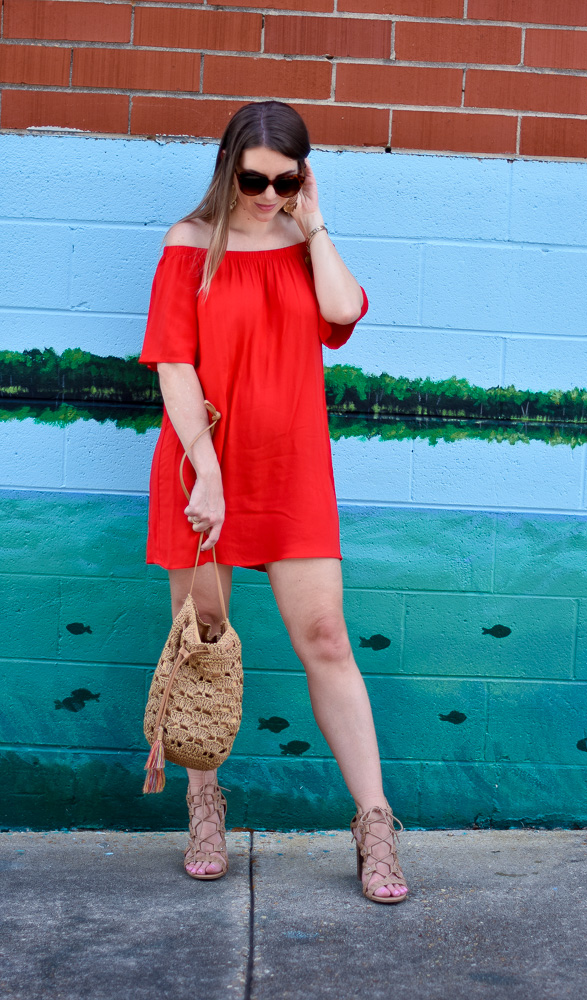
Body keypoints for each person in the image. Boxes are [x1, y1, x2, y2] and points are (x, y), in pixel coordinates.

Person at [138, 100, 408, 903]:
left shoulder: (299, 239)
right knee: (206, 643)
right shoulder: (187, 247)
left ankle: (374, 825)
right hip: (203, 469)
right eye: (253, 178)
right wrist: (205, 468)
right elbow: (174, 366)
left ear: (302, 175)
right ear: (227, 166)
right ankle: (204, 806)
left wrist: (313, 222)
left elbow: (341, 311)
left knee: (325, 637)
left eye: (284, 179)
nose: (266, 195)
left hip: (292, 470)